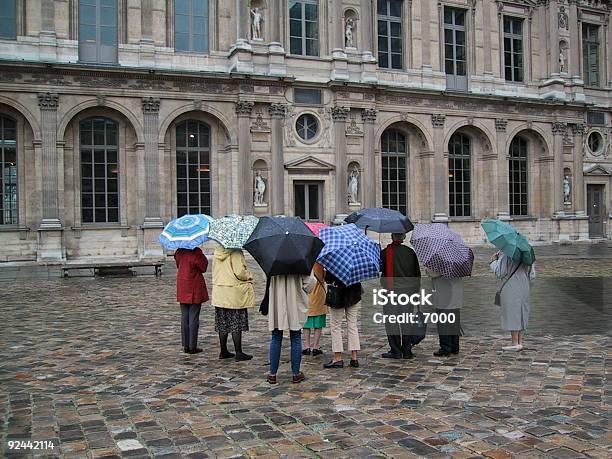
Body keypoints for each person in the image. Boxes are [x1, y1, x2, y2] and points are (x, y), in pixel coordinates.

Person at [267, 273, 316, 384]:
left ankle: (272, 374)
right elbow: (310, 282)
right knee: (296, 336)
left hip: (277, 301)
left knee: (276, 336)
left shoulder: (273, 257)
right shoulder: (300, 257)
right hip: (295, 301)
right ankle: (296, 374)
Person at [380, 233, 421, 359]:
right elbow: (417, 275)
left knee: (391, 322)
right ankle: (407, 350)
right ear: (403, 238)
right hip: (408, 292)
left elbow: (379, 268)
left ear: (392, 237)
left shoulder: (385, 252)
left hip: (391, 292)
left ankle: (396, 350)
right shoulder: (410, 252)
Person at [211, 247, 255, 361]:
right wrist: (249, 274)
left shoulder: (217, 252)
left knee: (222, 322)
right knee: (236, 322)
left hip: (220, 291)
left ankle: (223, 350)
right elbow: (240, 272)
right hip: (233, 292)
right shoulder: (236, 252)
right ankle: (238, 352)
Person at [490, 251, 536, 351]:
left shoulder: (507, 255)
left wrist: (493, 261)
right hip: (524, 285)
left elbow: (500, 272)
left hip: (510, 285)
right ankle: (520, 341)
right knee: (522, 312)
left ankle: (514, 342)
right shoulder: (527, 254)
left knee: (512, 313)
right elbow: (532, 275)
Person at [323, 271, 362, 369]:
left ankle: (338, 357)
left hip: (337, 293)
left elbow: (328, 278)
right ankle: (354, 357)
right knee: (352, 325)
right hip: (354, 292)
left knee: (336, 326)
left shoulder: (334, 258)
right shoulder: (356, 258)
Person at [174, 247, 209, 354]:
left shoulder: (179, 251)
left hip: (183, 286)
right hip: (194, 286)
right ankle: (192, 346)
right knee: (193, 318)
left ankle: (186, 345)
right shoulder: (196, 252)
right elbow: (203, 267)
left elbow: (178, 264)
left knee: (184, 317)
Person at [426, 269, 463, 357]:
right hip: (456, 291)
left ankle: (446, 348)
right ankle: (455, 346)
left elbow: (433, 273)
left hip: (444, 292)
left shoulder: (440, 258)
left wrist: (427, 269)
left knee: (443, 322)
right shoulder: (458, 258)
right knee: (454, 321)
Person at [302, 262, 326, 356]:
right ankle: (316, 346)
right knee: (318, 322)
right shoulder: (321, 263)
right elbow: (325, 278)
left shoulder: (304, 262)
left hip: (306, 294)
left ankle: (307, 346)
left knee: (306, 322)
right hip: (319, 295)